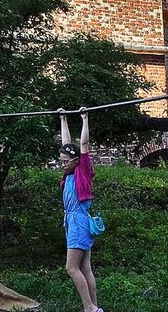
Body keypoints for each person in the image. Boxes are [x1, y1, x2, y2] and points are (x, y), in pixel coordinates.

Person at [58, 108, 101, 312]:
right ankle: (95, 307)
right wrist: (63, 118)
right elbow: (67, 146)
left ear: (76, 161)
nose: (62, 164)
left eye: (66, 161)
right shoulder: (68, 175)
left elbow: (82, 145)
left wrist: (85, 119)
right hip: (73, 222)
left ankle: (89, 308)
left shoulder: (83, 171)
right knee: (84, 267)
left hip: (79, 223)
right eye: (61, 161)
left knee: (71, 267)